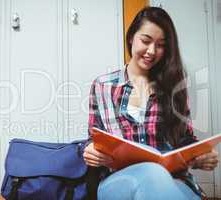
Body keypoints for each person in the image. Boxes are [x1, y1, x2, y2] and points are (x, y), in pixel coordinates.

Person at [83, 6, 219, 200]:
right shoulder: (103, 86)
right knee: (151, 173)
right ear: (131, 37)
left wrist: (201, 156)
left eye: (161, 45)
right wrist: (90, 150)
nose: (152, 51)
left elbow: (184, 139)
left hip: (174, 180)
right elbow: (93, 137)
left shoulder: (174, 86)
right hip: (119, 182)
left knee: (162, 183)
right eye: (146, 41)